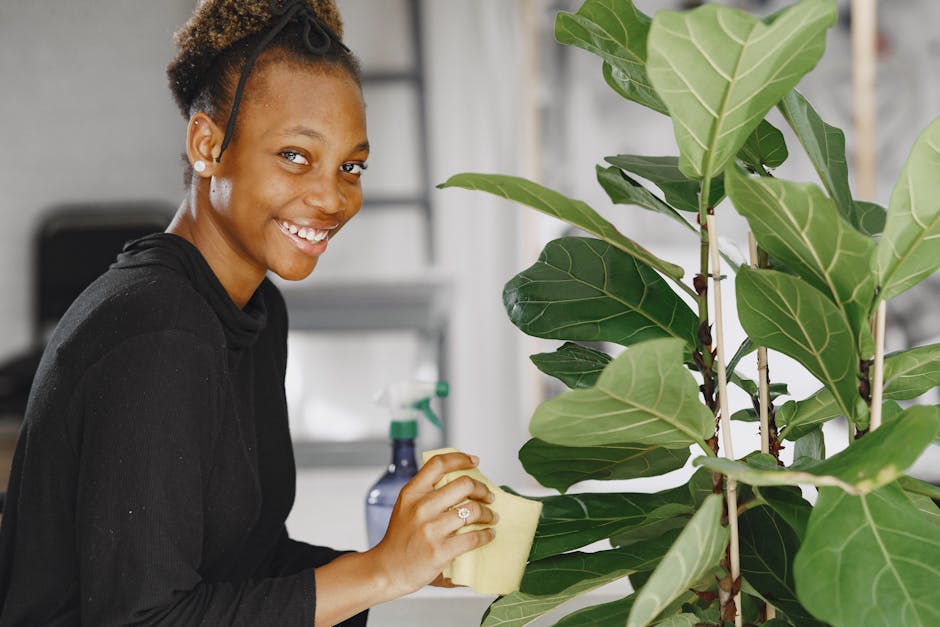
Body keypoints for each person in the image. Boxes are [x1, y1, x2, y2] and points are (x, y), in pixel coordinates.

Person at [0, 1, 496, 625]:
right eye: (295, 155)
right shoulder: (157, 329)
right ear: (208, 146)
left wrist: (407, 561)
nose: (331, 197)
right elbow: (144, 619)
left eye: (351, 166)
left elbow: (243, 564)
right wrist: (380, 570)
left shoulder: (254, 313)